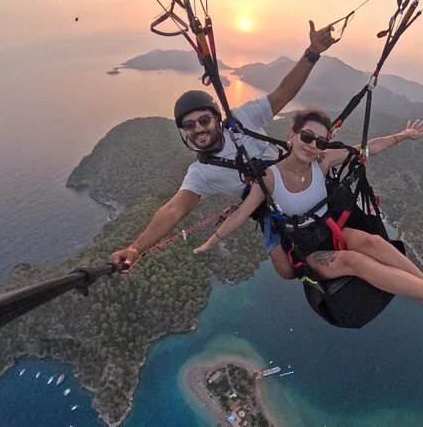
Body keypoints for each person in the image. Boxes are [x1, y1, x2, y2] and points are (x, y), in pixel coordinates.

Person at [193, 109, 423, 362]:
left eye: (321, 141)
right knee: (356, 262)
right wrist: (213, 240)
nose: (312, 145)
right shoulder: (270, 177)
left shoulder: (323, 161)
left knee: (376, 242)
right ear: (291, 135)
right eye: (307, 136)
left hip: (333, 230)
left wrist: (402, 136)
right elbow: (242, 213)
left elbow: (367, 149)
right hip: (309, 252)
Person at [111, 21, 338, 279]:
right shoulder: (201, 173)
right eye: (189, 125)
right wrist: (135, 248)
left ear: (216, 119)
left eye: (204, 120)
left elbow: (283, 93)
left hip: (296, 174)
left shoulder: (242, 119)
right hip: (270, 208)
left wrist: (312, 53)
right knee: (286, 270)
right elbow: (172, 210)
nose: (198, 129)